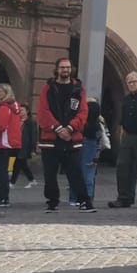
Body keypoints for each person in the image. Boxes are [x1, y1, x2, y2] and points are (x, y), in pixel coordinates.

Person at [36, 59, 92, 212]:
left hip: (72, 138)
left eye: (67, 67)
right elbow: (43, 112)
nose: (65, 70)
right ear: (57, 69)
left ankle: (84, 200)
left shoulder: (79, 90)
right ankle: (52, 201)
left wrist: (70, 128)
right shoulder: (47, 89)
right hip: (51, 139)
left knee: (76, 172)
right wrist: (58, 128)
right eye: (62, 68)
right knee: (50, 174)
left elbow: (83, 112)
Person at [111, 71, 137, 208]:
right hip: (128, 135)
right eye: (129, 82)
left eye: (134, 81)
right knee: (123, 166)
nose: (131, 84)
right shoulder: (126, 99)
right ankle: (124, 197)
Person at [0, 83, 25, 208]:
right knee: (4, 171)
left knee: (0, 172)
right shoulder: (13, 106)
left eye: (0, 91)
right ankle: (4, 197)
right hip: (9, 143)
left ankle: (1, 198)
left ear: (6, 92)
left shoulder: (3, 107)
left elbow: (1, 126)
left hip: (3, 142)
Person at [78, 97, 108, 207]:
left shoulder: (94, 123)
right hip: (91, 148)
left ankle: (86, 197)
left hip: (88, 147)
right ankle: (87, 197)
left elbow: (102, 138)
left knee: (86, 174)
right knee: (89, 174)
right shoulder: (99, 122)